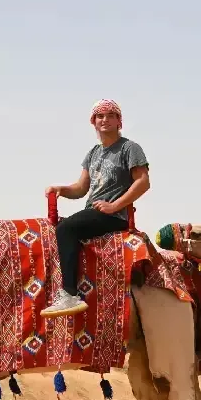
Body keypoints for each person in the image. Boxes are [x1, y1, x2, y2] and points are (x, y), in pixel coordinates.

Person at [40, 99, 150, 318]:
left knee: (66, 229)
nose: (105, 120)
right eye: (100, 116)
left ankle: (69, 294)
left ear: (119, 121)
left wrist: (114, 205)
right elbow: (81, 188)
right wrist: (61, 188)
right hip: (95, 211)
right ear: (93, 122)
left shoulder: (129, 148)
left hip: (114, 215)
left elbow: (143, 182)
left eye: (110, 115)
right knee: (61, 229)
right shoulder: (93, 153)